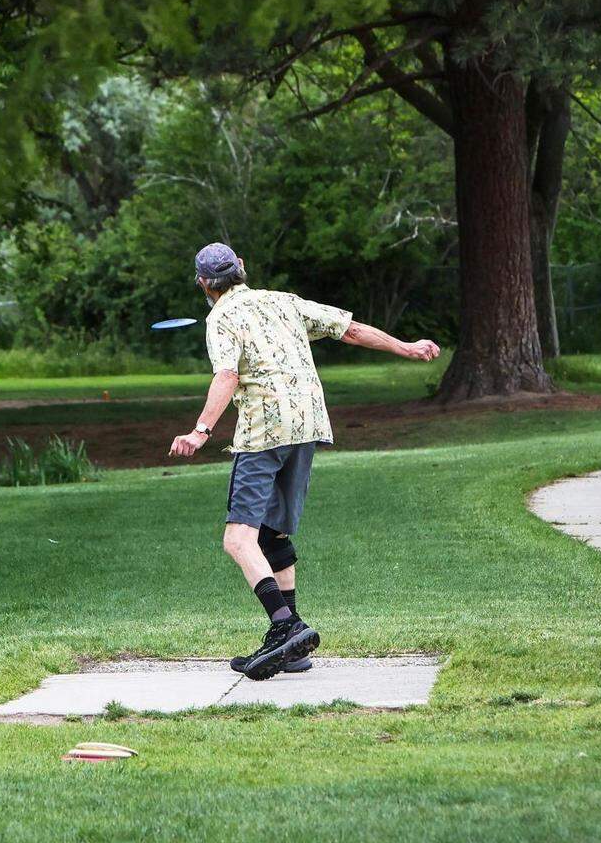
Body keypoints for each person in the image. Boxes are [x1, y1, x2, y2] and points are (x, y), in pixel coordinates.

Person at [169, 242, 440, 680]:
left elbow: (227, 374)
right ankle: (292, 651)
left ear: (203, 283)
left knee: (239, 539)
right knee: (273, 534)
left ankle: (286, 625)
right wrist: (407, 348)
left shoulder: (220, 317)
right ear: (242, 266)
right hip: (308, 424)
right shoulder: (284, 302)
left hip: (265, 431)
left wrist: (200, 431)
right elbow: (348, 329)